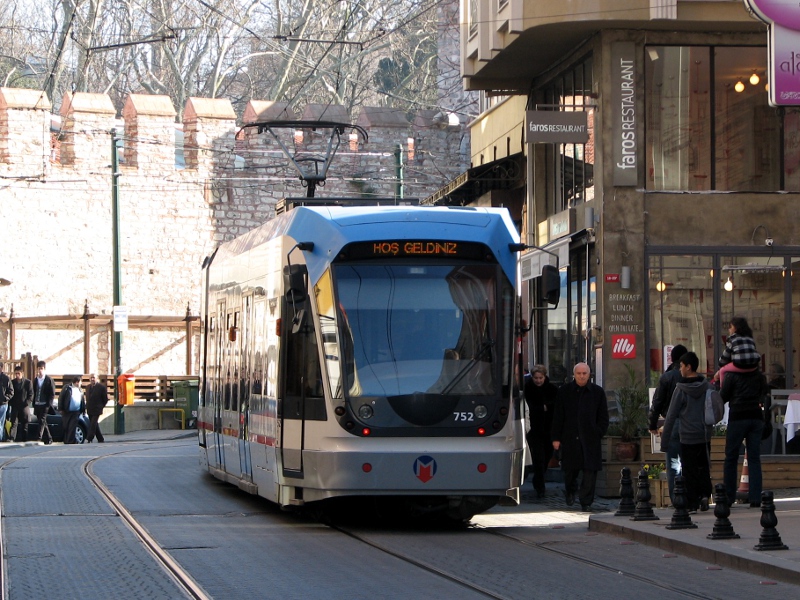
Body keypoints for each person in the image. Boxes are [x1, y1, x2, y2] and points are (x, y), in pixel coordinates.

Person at [551, 362, 609, 511]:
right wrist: (556, 438)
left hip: (590, 438)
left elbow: (603, 416)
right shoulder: (564, 391)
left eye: (584, 373)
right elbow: (558, 415)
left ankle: (586, 501)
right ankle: (570, 491)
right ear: (574, 374)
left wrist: (598, 431)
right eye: (579, 373)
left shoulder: (597, 392)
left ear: (589, 375)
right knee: (570, 471)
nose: (582, 376)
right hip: (570, 437)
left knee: (590, 472)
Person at [660, 352, 713, 512]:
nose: (680, 369)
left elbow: (671, 415)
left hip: (687, 435)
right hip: (704, 434)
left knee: (689, 469)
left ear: (688, 367)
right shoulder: (707, 387)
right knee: (703, 466)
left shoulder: (681, 389)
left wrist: (665, 441)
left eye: (682, 366)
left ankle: (692, 502)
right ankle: (705, 495)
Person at [719, 355, 767, 508]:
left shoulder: (732, 376)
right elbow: (763, 395)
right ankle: (755, 497)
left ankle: (729, 496)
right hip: (755, 417)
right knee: (754, 457)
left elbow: (723, 396)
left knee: (731, 456)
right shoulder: (759, 376)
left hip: (738, 417)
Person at [647, 344, 687, 503]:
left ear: (672, 358)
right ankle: (692, 497)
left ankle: (676, 499)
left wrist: (652, 424)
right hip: (692, 423)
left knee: (673, 462)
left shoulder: (667, 377)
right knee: (690, 461)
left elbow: (656, 402)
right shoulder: (692, 376)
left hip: (671, 422)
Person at [524, 364, 558, 498]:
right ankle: (540, 485)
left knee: (547, 456)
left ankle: (539, 479)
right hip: (534, 430)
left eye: (540, 378)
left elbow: (555, 408)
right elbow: (528, 407)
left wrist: (545, 407)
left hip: (549, 429)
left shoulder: (552, 389)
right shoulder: (528, 389)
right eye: (536, 378)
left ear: (545, 377)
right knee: (538, 458)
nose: (538, 380)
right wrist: (540, 408)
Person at [713, 317, 760, 385]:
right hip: (753, 366)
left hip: (740, 364)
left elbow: (725, 356)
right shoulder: (750, 338)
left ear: (736, 328)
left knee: (722, 371)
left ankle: (722, 390)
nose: (729, 329)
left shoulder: (732, 338)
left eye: (730, 327)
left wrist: (720, 367)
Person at [32, 360, 56, 444]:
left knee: (42, 420)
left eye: (41, 368)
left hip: (45, 404)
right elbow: (34, 391)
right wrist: (34, 403)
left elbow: (52, 393)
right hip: (37, 404)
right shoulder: (36, 380)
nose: (40, 370)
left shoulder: (49, 380)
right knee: (42, 421)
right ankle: (49, 438)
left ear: (44, 369)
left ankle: (39, 437)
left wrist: (48, 405)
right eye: (39, 369)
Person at [57, 375, 85, 444]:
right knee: (66, 427)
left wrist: (83, 410)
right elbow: (61, 398)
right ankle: (67, 440)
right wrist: (60, 408)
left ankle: (71, 441)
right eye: (80, 382)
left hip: (76, 412)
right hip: (67, 411)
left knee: (72, 427)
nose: (81, 384)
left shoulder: (80, 390)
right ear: (77, 382)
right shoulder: (67, 388)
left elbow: (82, 401)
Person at [9, 366, 33, 442]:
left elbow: (31, 394)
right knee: (14, 423)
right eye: (15, 374)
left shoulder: (28, 382)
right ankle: (12, 438)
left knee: (25, 423)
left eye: (18, 373)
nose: (17, 375)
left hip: (24, 406)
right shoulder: (12, 382)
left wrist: (27, 403)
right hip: (15, 406)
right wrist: (12, 403)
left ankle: (24, 439)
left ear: (22, 373)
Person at [85, 374, 109, 443]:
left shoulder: (101, 387)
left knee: (93, 424)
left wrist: (101, 406)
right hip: (90, 409)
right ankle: (100, 438)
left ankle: (89, 438)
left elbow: (105, 399)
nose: (92, 379)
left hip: (97, 409)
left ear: (97, 379)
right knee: (95, 424)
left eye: (94, 378)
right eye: (91, 378)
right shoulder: (88, 387)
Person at [0, 363, 13, 441]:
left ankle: (0, 439)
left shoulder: (6, 378)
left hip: (3, 405)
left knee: (0, 423)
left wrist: (5, 398)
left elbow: (11, 391)